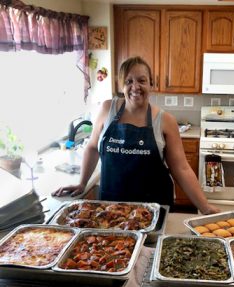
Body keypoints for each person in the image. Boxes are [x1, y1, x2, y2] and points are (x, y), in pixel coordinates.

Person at [52, 56, 219, 215]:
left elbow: (181, 168)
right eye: (128, 81)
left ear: (151, 84)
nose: (135, 87)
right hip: (111, 206)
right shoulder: (106, 109)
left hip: (154, 207)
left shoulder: (165, 121)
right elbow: (93, 148)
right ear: (121, 86)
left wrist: (205, 207)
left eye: (142, 80)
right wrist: (82, 183)